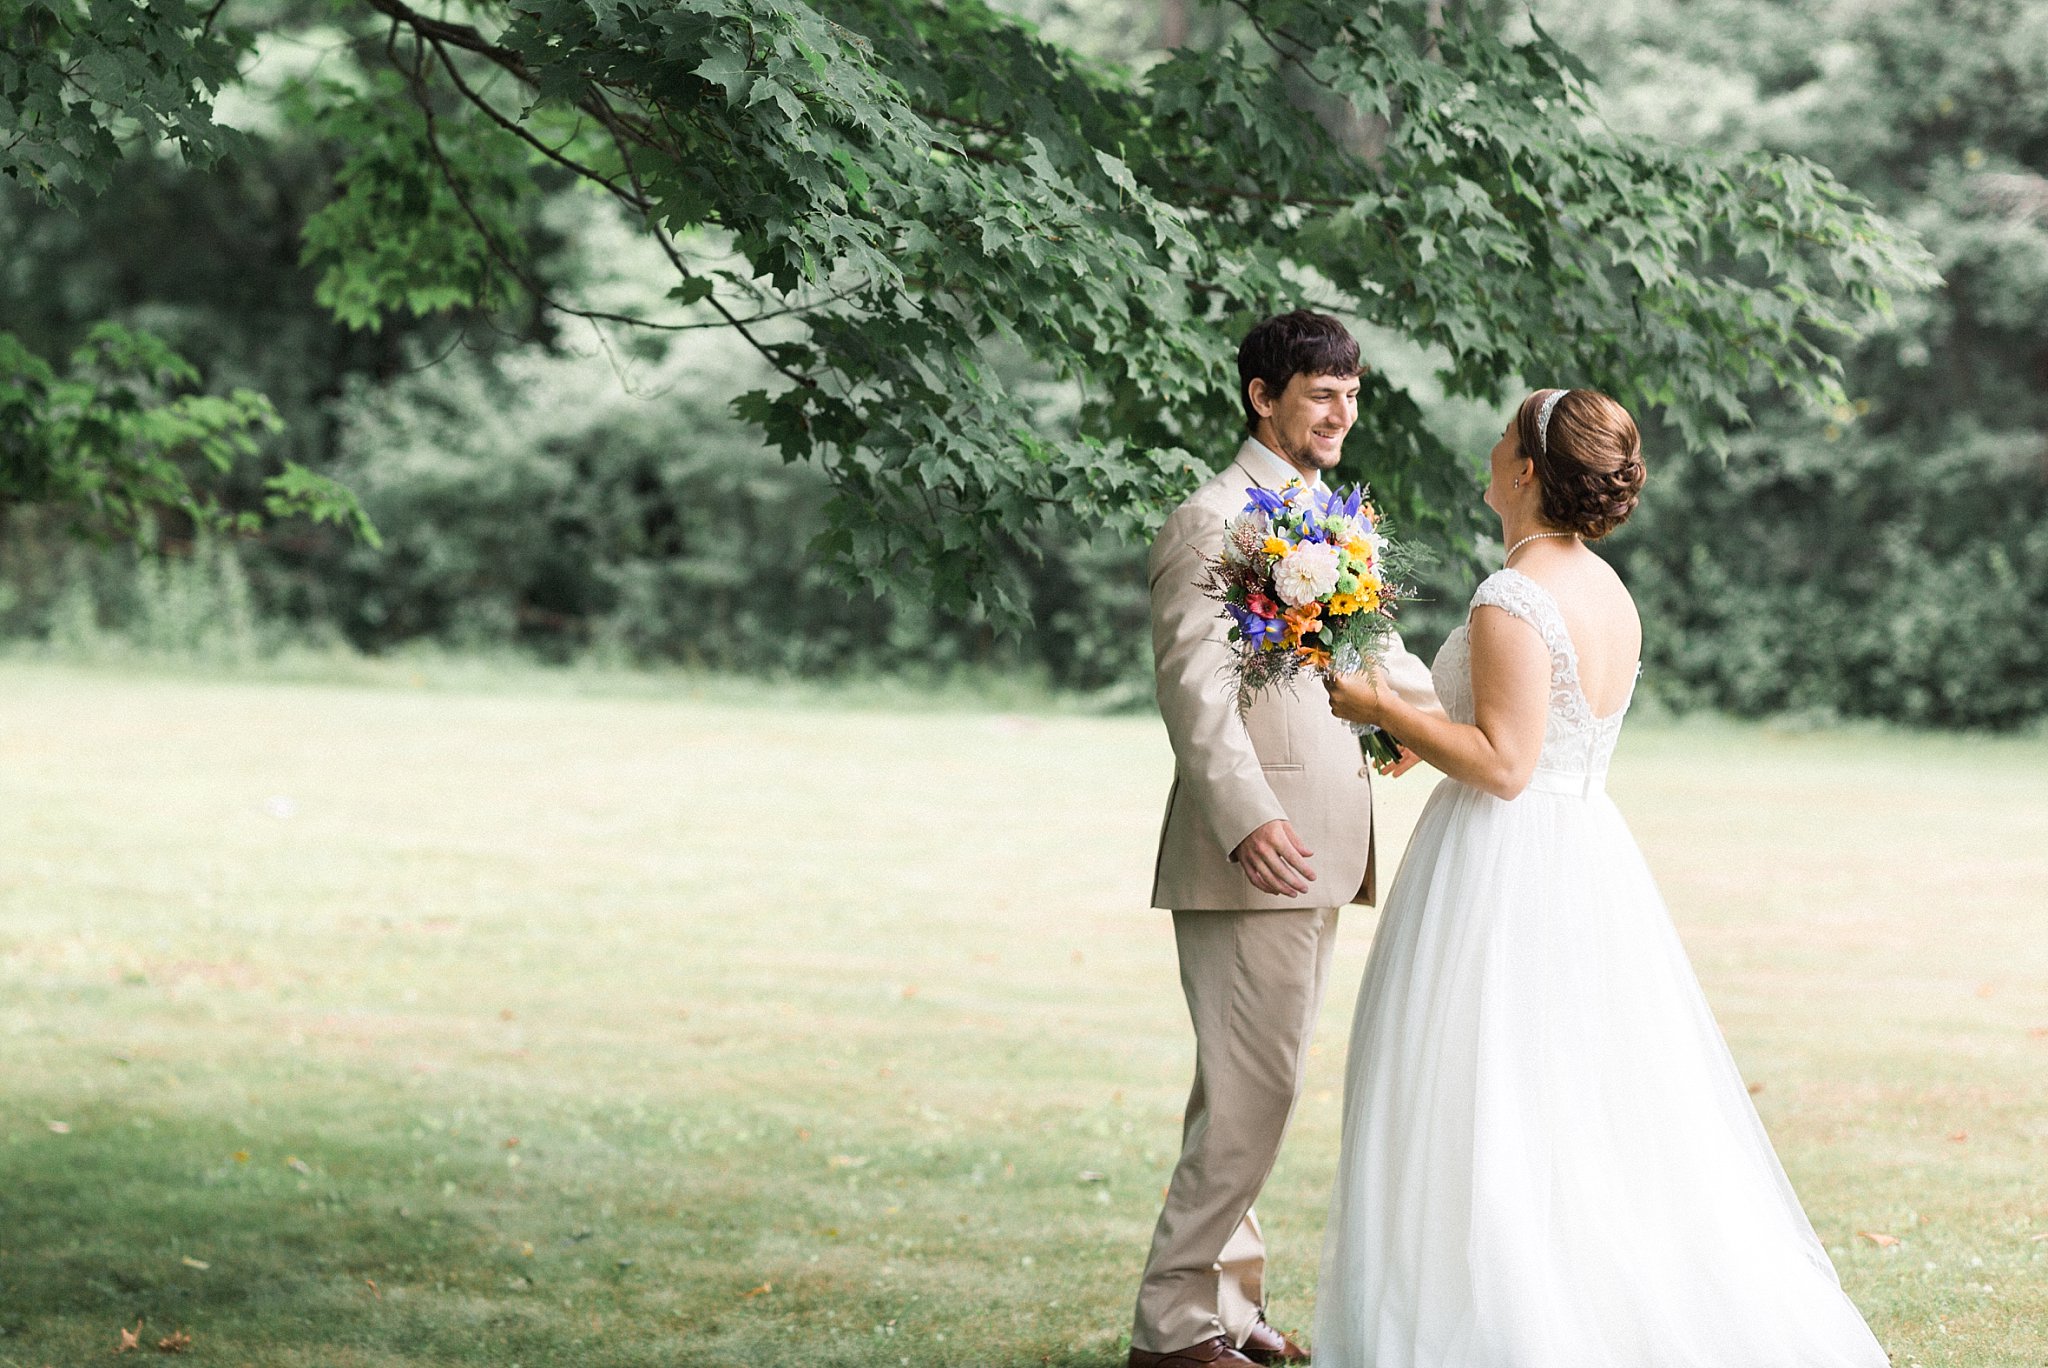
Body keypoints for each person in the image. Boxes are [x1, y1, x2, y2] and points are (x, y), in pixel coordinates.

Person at [1314, 389, 1889, 1366]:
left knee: (1487, 1102)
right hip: (1580, 854)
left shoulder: (1513, 597)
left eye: (1502, 440)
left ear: (1529, 470)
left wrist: (1370, 701)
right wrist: (1401, 718)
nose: (1488, 452)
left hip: (1501, 870)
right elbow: (1506, 734)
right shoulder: (1604, 592)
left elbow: (1501, 763)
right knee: (1569, 1103)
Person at [1129, 310, 1442, 1368]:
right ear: (1261, 395)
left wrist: (1427, 725)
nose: (1341, 413)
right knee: (1253, 1089)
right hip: (1253, 849)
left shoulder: (1324, 516)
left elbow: (1373, 655)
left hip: (1321, 844)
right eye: (1320, 394)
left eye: (1351, 395)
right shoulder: (1210, 520)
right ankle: (1171, 1332)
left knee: (1246, 1086)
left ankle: (1225, 1300)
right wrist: (1247, 814)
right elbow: (1194, 690)